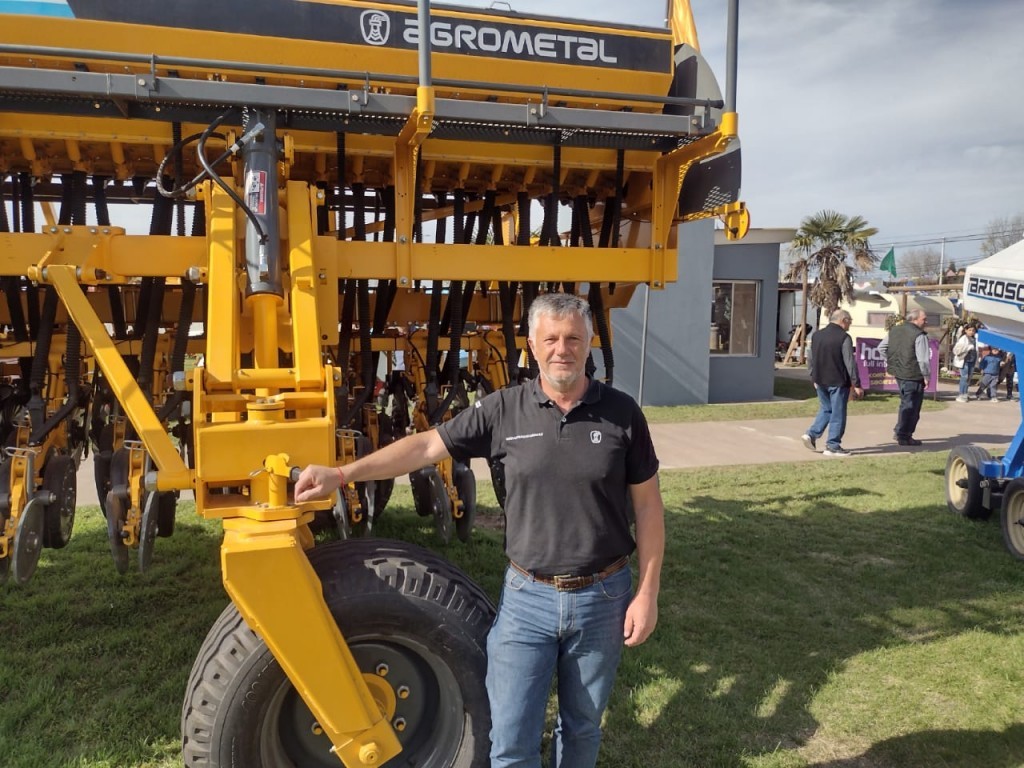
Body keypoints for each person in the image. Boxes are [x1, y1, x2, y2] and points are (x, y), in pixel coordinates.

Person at [295, 293, 665, 768]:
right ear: (532, 345)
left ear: (589, 341)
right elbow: (426, 445)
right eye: (550, 338)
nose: (562, 349)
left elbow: (649, 506)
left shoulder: (622, 414)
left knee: (581, 729)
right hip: (527, 601)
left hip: (604, 598)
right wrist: (343, 474)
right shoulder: (503, 410)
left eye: (573, 337)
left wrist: (648, 592)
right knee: (510, 742)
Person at [801, 309, 863, 457]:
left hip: (820, 380)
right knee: (838, 413)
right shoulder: (844, 337)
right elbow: (850, 362)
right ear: (843, 320)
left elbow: (810, 358)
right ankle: (833, 445)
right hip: (838, 381)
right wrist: (856, 383)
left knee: (826, 408)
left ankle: (811, 434)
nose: (850, 325)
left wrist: (813, 376)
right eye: (850, 321)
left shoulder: (817, 335)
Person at [878, 309, 930, 446]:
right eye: (924, 319)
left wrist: (892, 362)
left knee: (905, 403)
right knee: (912, 407)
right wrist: (926, 375)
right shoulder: (919, 335)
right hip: (913, 375)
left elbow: (881, 348)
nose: (926, 322)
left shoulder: (895, 329)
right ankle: (904, 435)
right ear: (915, 320)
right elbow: (923, 359)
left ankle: (900, 430)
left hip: (899, 373)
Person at [951, 324, 978, 403]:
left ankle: (965, 393)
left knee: (969, 378)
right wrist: (968, 348)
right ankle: (961, 394)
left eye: (973, 330)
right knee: (964, 377)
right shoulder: (963, 338)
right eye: (969, 330)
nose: (971, 332)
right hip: (964, 361)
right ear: (966, 330)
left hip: (972, 360)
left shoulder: (974, 339)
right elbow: (956, 350)